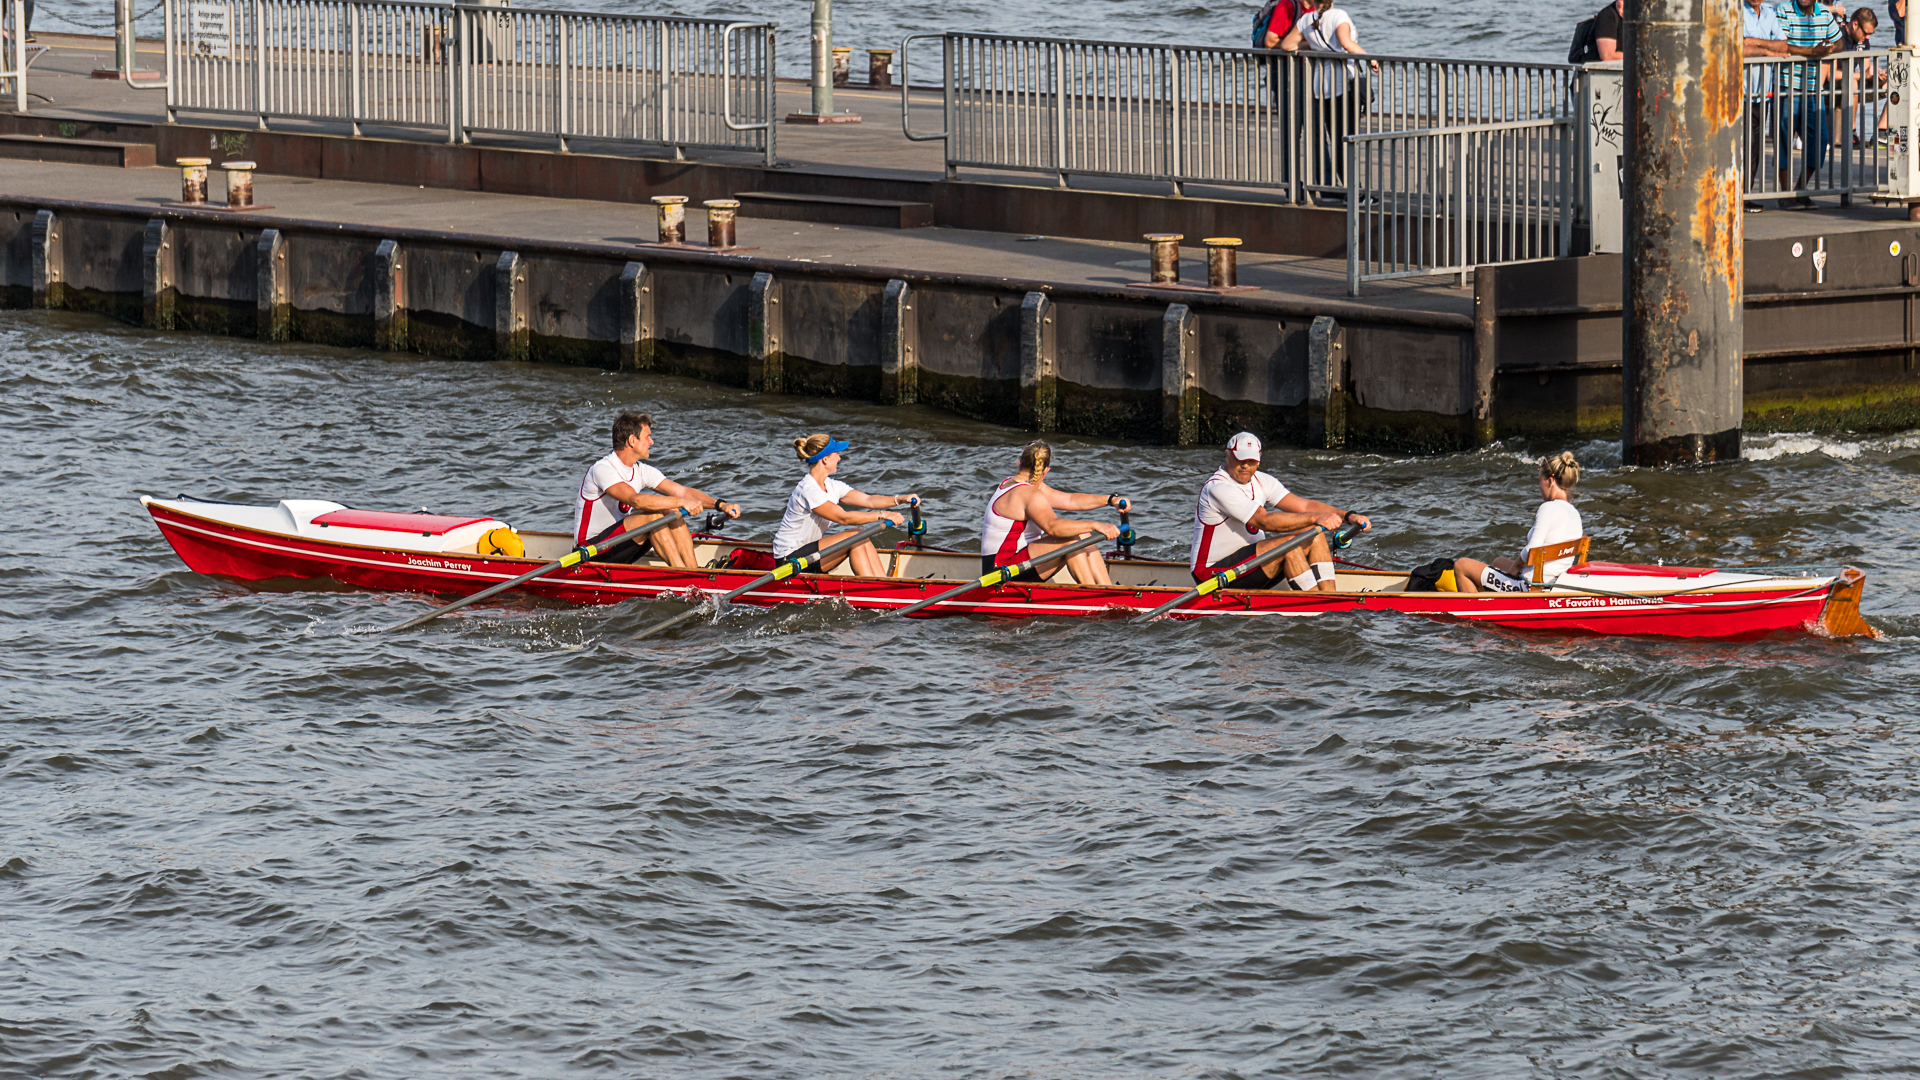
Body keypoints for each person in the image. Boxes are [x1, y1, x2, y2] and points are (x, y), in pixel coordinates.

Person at [1189, 432, 1369, 593]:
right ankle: (1319, 607)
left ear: (1259, 458)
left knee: (1315, 535)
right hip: (1213, 574)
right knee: (1290, 545)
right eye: (1239, 459)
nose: (1245, 466)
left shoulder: (1262, 481)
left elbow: (1305, 506)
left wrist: (1347, 516)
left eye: (1251, 461)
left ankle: (1330, 597)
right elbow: (1264, 521)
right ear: (1227, 455)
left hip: (1250, 565)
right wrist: (1316, 518)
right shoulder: (1218, 487)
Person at [575, 411, 737, 566]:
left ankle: (693, 572)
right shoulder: (602, 469)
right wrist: (683, 502)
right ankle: (684, 578)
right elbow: (635, 500)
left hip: (618, 544)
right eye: (648, 437)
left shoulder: (641, 470)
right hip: (590, 550)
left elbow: (683, 492)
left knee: (671, 511)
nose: (651, 442)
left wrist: (721, 505)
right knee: (653, 517)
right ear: (632, 440)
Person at [980, 440, 1133, 588]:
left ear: (1020, 463)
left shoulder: (1016, 484)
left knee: (1084, 535)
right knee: (1072, 541)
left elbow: (1071, 500)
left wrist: (1111, 499)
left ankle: (1108, 589)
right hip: (1000, 572)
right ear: (1046, 470)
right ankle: (1093, 596)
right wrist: (1096, 525)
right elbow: (1053, 527)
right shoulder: (1027, 494)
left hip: (1017, 562)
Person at [772, 434, 916, 577]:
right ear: (825, 459)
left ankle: (882, 583)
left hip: (808, 554)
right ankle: (873, 589)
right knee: (854, 535)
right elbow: (844, 518)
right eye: (836, 454)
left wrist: (901, 499)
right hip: (790, 561)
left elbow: (868, 500)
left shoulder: (832, 485)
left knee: (860, 534)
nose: (839, 458)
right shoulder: (808, 490)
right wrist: (883, 515)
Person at [1280, 0, 1376, 201]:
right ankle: (1355, 193)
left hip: (1319, 86)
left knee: (1330, 138)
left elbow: (1287, 45)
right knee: (1346, 139)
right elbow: (1346, 43)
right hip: (1342, 86)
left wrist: (1314, 45)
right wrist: (1371, 59)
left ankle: (1336, 190)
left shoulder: (1306, 19)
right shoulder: (1339, 15)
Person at [1452, 452, 1585, 593]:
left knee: (1461, 565)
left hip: (1530, 586)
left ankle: (1478, 612)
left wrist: (1515, 566)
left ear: (1550, 481)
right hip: (1554, 583)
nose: (1539, 487)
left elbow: (1532, 549)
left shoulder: (1548, 508)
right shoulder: (1575, 513)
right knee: (1498, 562)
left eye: (1540, 480)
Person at [1775, 0, 1843, 210]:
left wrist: (1830, 47)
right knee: (1784, 141)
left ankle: (1800, 189)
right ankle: (1786, 194)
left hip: (1814, 88)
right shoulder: (1784, 10)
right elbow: (1782, 45)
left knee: (1821, 140)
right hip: (1788, 86)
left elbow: (1840, 42)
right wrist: (1812, 52)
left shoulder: (1823, 12)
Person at [1744, 0, 1792, 212]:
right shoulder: (1735, 11)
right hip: (1739, 93)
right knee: (1739, 146)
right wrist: (1768, 52)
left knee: (1755, 146)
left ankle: (1745, 195)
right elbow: (1738, 47)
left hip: (1761, 94)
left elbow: (1784, 44)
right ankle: (1734, 194)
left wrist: (1754, 43)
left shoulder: (1770, 13)